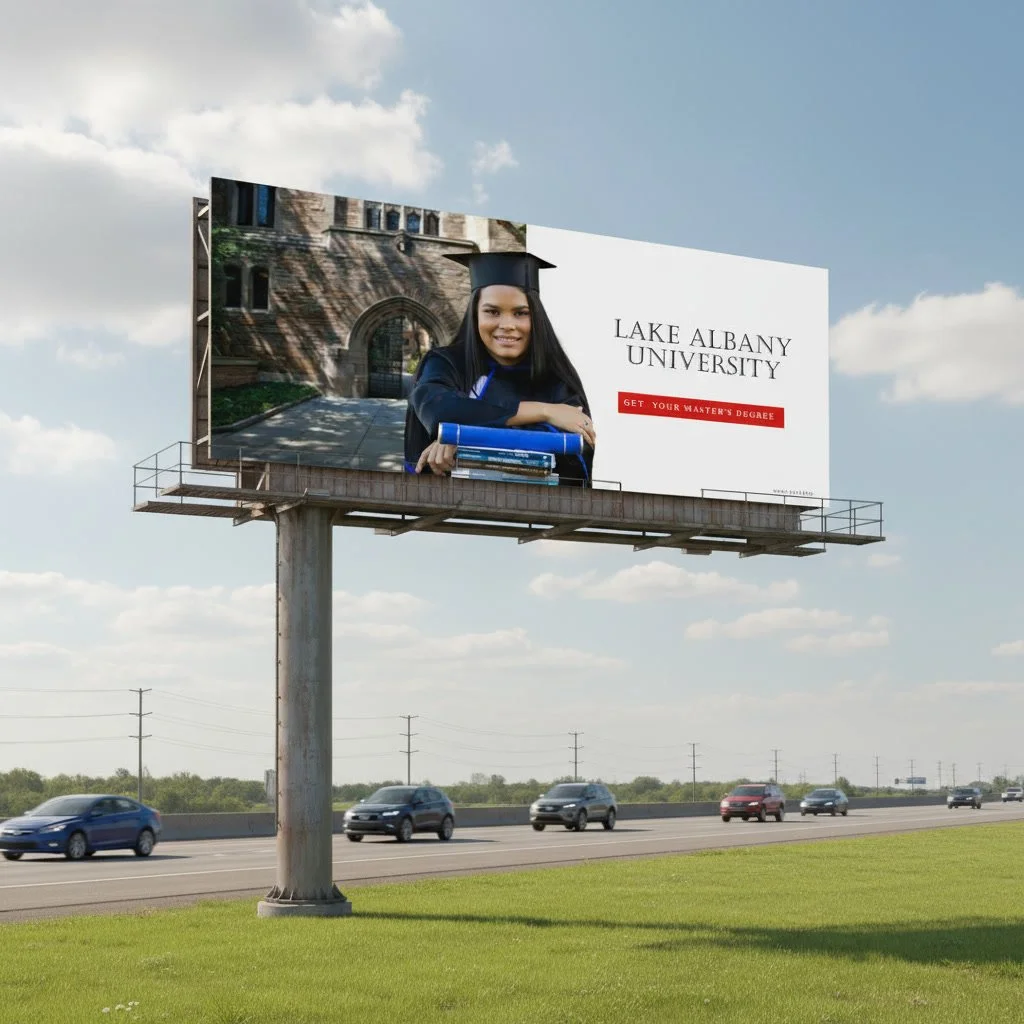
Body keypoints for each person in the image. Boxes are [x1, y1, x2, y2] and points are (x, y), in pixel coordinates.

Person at [404, 251, 595, 483]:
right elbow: (438, 410)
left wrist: (463, 438)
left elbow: (574, 449)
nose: (507, 325)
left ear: (536, 317)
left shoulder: (556, 377)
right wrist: (545, 411)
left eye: (520, 313)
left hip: (535, 510)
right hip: (446, 508)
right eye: (492, 312)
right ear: (475, 314)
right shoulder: (447, 363)